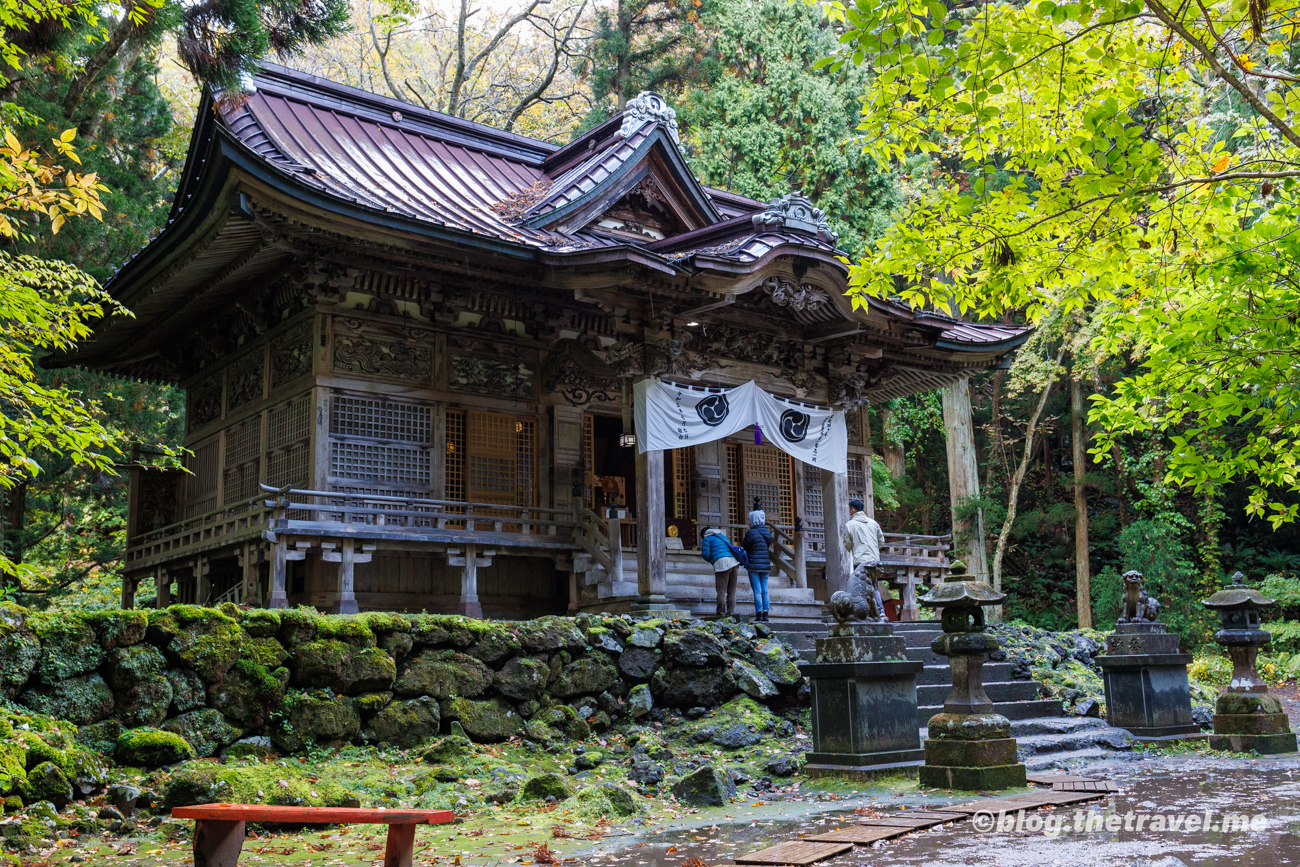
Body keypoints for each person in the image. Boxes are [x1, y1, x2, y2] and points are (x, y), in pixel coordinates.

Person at [843, 498, 887, 621]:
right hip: (874, 561)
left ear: (852, 509)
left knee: (860, 588)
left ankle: (864, 613)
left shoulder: (850, 525)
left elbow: (847, 545)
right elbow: (881, 541)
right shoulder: (874, 523)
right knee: (873, 587)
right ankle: (880, 612)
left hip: (860, 561)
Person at [742, 509, 774, 622]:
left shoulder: (751, 533)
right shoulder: (767, 532)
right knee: (765, 590)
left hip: (753, 565)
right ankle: (766, 614)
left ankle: (759, 614)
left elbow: (744, 546)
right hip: (765, 564)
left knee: (757, 591)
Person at [700, 526, 740, 617]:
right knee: (732, 591)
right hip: (734, 563)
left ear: (703, 534)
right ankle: (730, 613)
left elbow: (706, 554)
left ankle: (720, 614)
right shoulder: (723, 537)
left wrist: (712, 559)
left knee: (721, 590)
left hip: (722, 564)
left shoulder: (707, 538)